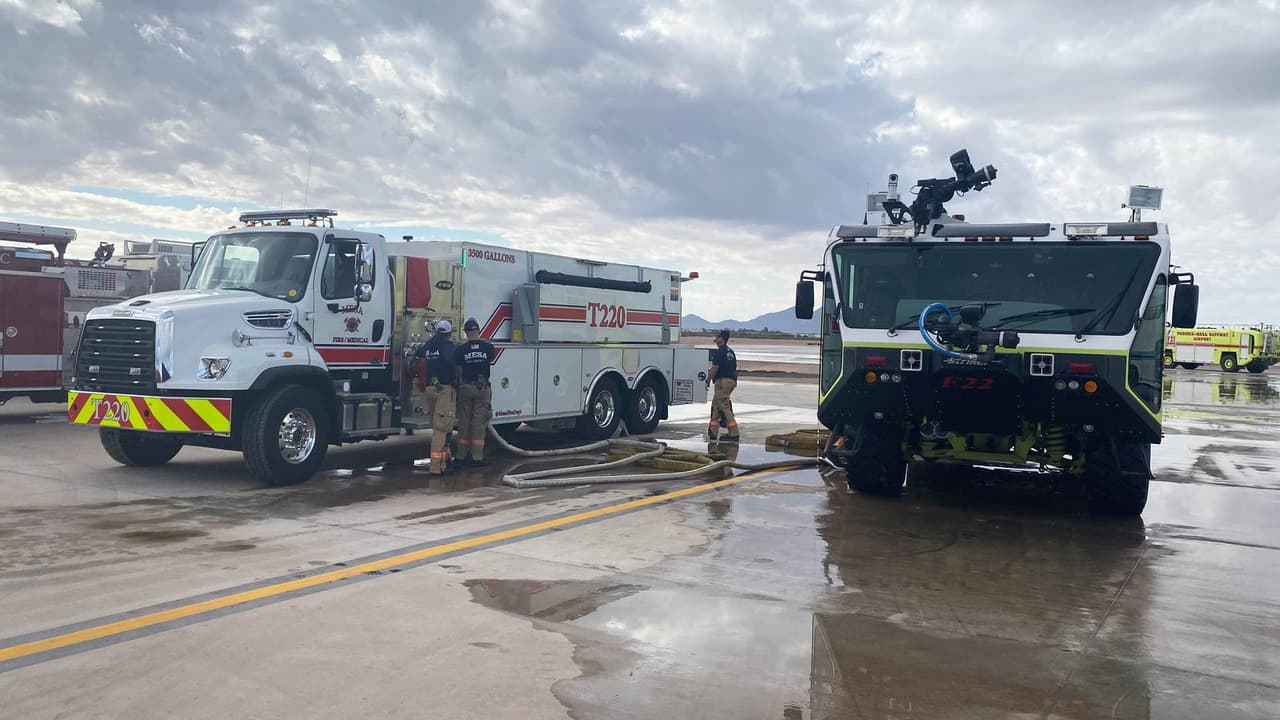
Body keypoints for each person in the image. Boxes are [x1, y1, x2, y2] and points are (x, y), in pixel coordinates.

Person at [415, 320, 458, 475]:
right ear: (448, 333)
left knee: (440, 427)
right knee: (442, 428)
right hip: (444, 389)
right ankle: (436, 468)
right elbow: (451, 360)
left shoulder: (428, 345)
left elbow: (418, 354)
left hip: (429, 389)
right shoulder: (448, 347)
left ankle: (446, 460)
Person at [454, 317, 496, 465]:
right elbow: (491, 359)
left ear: (466, 333)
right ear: (478, 330)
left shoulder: (461, 350)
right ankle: (477, 458)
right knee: (479, 424)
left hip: (466, 388)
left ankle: (460, 456)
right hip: (482, 389)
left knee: (464, 422)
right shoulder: (488, 348)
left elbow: (457, 363)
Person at [707, 329, 739, 440]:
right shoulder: (730, 352)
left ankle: (734, 432)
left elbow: (715, 368)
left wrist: (708, 379)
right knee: (716, 404)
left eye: (718, 337)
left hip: (722, 381)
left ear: (721, 339)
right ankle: (713, 431)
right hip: (731, 381)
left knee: (723, 404)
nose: (716, 339)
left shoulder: (719, 352)